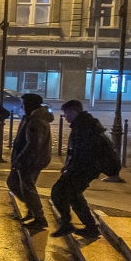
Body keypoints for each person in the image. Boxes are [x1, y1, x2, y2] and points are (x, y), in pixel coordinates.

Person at [51, 100, 112, 241]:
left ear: (73, 112)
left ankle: (71, 224)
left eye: (65, 113)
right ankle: (88, 227)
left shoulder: (84, 126)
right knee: (72, 195)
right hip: (81, 168)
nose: (64, 117)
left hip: (84, 169)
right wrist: (68, 165)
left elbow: (84, 152)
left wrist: (72, 167)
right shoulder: (83, 124)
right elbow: (75, 150)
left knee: (58, 192)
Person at [9, 93, 53, 230]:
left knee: (27, 188)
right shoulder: (30, 118)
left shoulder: (36, 120)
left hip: (30, 160)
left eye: (23, 103)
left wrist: (20, 159)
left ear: (30, 104)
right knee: (14, 182)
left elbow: (33, 144)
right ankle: (32, 210)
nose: (21, 106)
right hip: (29, 159)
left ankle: (39, 217)